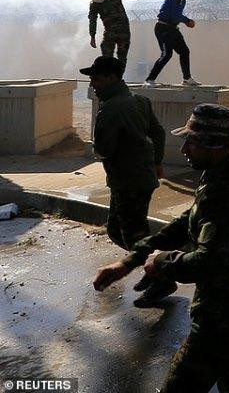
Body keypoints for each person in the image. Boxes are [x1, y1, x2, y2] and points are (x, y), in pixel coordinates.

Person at [93, 103, 229, 391]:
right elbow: (186, 223)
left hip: (223, 316)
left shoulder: (225, 193)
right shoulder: (223, 175)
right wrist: (129, 262)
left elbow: (206, 263)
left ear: (214, 146)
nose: (184, 149)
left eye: (192, 142)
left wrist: (162, 262)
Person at [80, 55, 176, 307]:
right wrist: (157, 162)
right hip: (139, 177)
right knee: (116, 230)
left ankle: (161, 276)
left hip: (128, 181)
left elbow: (104, 149)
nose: (92, 84)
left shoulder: (110, 108)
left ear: (111, 78)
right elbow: (158, 132)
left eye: (96, 79)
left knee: (134, 235)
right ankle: (153, 268)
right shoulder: (139, 100)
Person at [145, 0, 200, 87]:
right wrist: (187, 21)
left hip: (172, 28)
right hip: (164, 28)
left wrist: (185, 20)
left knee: (184, 51)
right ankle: (149, 80)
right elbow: (175, 15)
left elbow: (175, 14)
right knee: (166, 54)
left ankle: (187, 78)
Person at [88, 0, 151, 69]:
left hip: (109, 33)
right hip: (123, 32)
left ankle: (107, 76)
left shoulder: (94, 3)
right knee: (122, 58)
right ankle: (118, 76)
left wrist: (92, 36)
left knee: (106, 59)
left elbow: (92, 20)